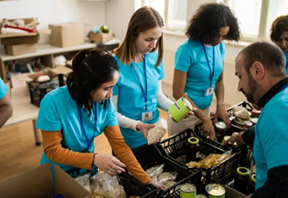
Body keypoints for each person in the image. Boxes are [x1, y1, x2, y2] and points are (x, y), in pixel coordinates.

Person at [36, 49, 164, 189]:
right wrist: (94, 159)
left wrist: (146, 180)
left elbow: (119, 145)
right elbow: (53, 151)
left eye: (112, 88)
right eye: (106, 88)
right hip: (59, 174)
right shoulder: (52, 102)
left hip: (88, 170)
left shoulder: (105, 104)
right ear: (86, 84)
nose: (110, 95)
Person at [112, 6, 194, 149]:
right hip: (128, 136)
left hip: (155, 130)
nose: (153, 45)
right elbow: (111, 113)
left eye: (157, 39)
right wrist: (136, 125)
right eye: (148, 39)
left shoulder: (155, 57)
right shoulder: (114, 65)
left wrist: (175, 108)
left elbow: (157, 95)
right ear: (133, 34)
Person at [168, 3, 240, 139]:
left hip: (205, 108)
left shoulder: (219, 47)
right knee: (179, 153)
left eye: (224, 37)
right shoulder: (186, 50)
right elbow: (178, 93)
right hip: (184, 112)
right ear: (206, 30)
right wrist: (205, 118)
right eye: (217, 36)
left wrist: (220, 104)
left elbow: (219, 80)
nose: (219, 41)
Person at [232, 42, 288, 198]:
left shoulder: (278, 110)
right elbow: (266, 132)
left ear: (257, 71)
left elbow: (282, 187)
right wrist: (240, 137)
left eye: (240, 76)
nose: (239, 86)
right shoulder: (280, 100)